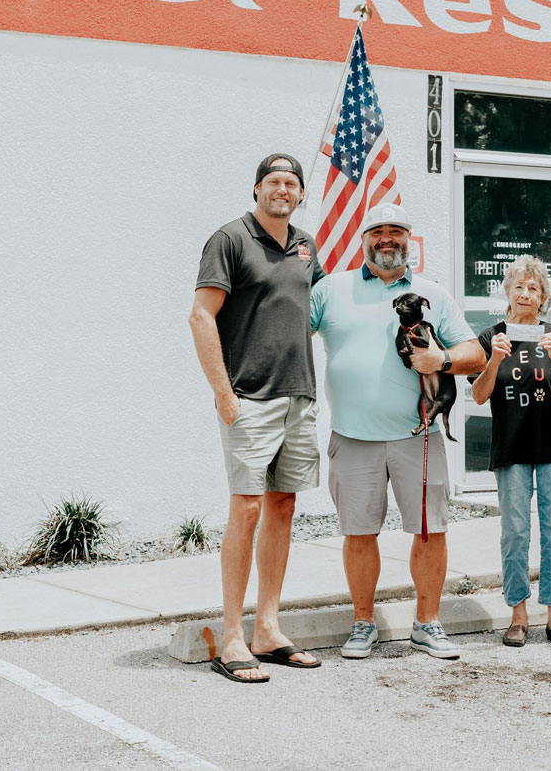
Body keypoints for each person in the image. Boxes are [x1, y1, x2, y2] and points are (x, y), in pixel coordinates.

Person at [310, 203, 485, 661]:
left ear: (409, 239)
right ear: (363, 238)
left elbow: (475, 353)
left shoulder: (433, 294)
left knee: (430, 531)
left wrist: (440, 361)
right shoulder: (331, 289)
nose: (387, 239)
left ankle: (427, 624)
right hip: (352, 436)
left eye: (396, 232)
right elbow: (286, 327)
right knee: (359, 532)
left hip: (418, 436)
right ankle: (362, 624)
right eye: (378, 232)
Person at [189, 153, 325, 683]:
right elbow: (202, 315)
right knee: (245, 510)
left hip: (299, 397)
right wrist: (224, 395)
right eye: (274, 181)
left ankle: (268, 627)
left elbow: (311, 312)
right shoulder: (229, 239)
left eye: (291, 183)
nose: (283, 189)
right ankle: (231, 636)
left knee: (283, 507)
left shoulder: (307, 244)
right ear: (257, 189)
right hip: (249, 398)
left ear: (299, 193)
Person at [469, 256, 551, 649]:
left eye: (534, 288)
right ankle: (517, 614)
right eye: (519, 286)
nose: (526, 294)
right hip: (511, 446)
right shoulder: (491, 337)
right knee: (515, 532)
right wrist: (496, 358)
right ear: (508, 291)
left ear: (544, 296)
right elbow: (478, 395)